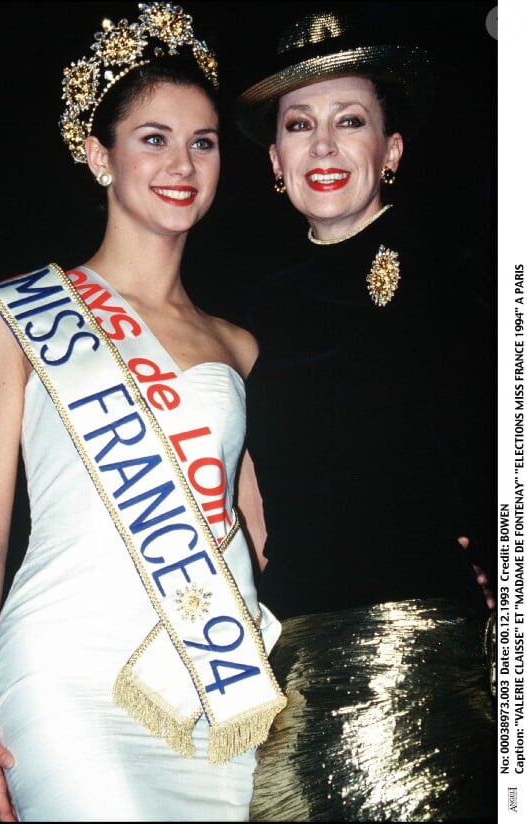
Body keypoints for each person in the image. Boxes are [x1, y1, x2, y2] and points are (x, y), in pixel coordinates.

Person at [0, 3, 287, 821]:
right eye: (153, 138)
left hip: (215, 686)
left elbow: (265, 533)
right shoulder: (25, 316)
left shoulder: (239, 346)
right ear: (100, 155)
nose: (181, 163)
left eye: (201, 142)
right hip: (66, 670)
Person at [231, 6, 495, 821]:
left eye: (351, 122)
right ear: (275, 159)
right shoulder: (252, 309)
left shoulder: (458, 269)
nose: (323, 146)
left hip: (424, 653)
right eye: (300, 126)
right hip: (293, 672)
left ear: (392, 150)